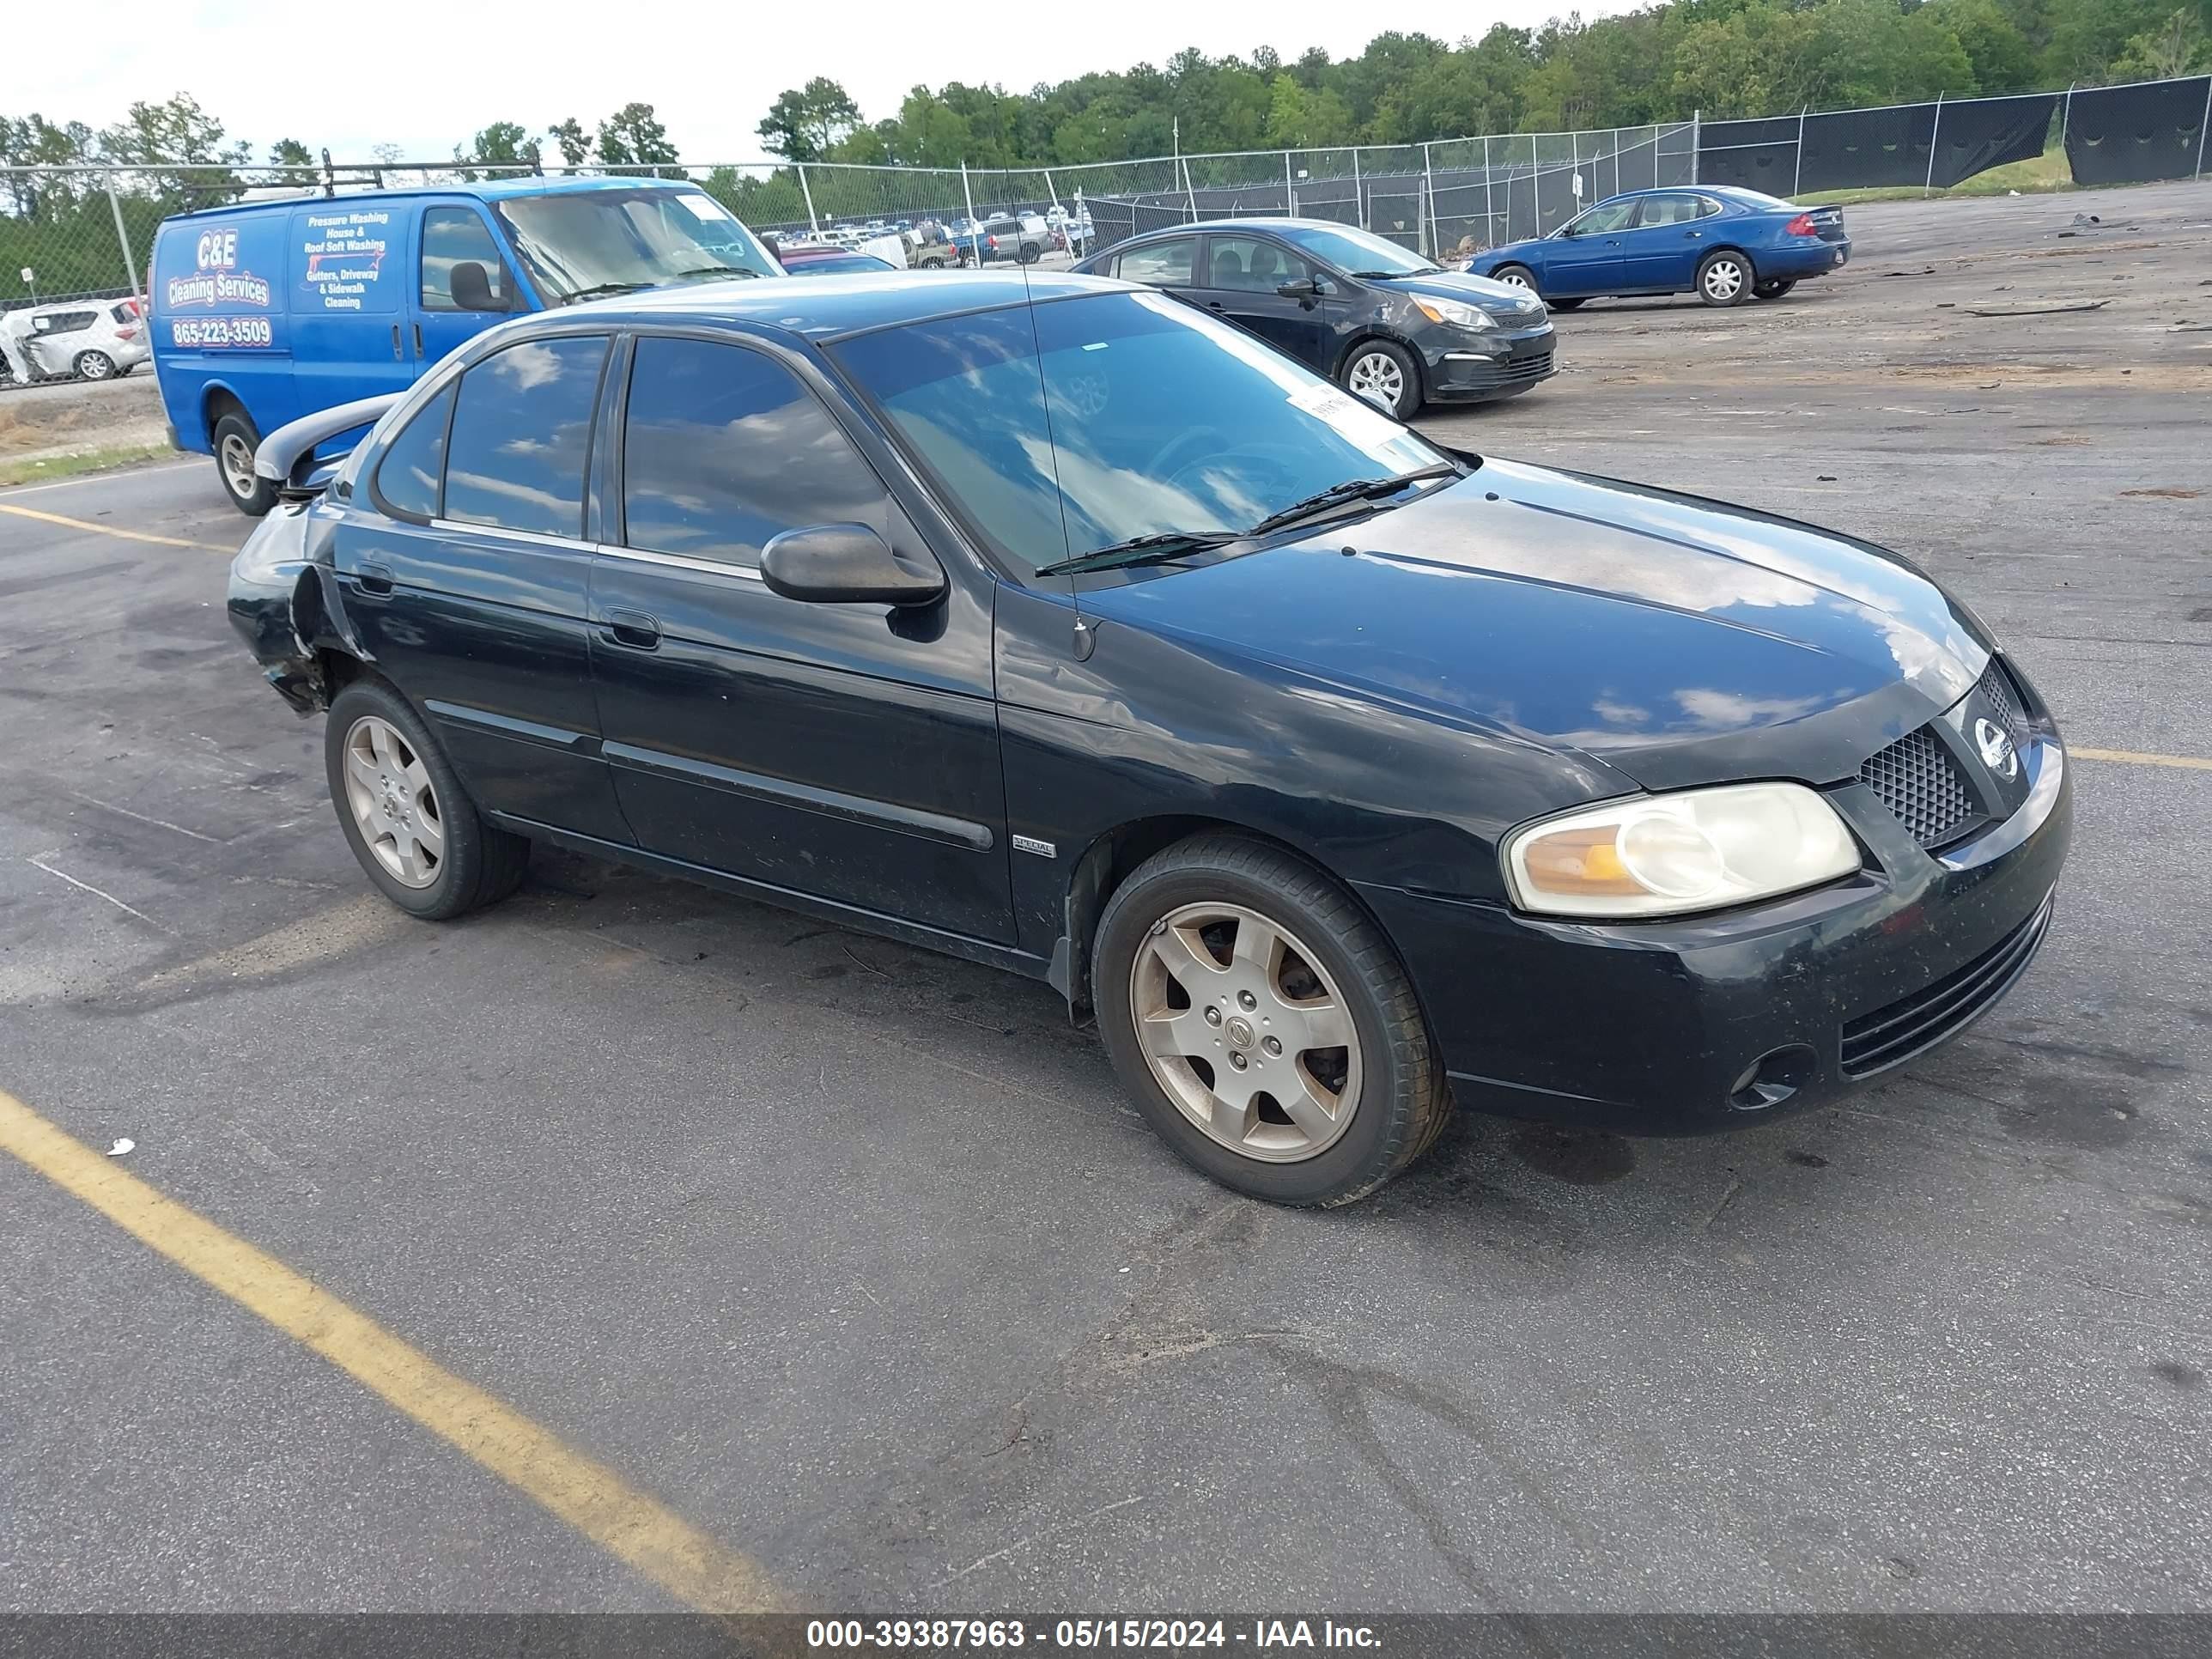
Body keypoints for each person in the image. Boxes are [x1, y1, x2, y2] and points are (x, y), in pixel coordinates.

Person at [0, 308, 38, 386]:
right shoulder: (6, 323)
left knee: (18, 360)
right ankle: (24, 379)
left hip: (10, 342)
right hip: (8, 344)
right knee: (16, 360)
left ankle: (21, 377)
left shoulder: (7, 321)